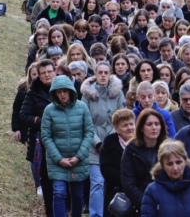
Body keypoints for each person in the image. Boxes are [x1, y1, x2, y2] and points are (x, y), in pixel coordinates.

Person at [41, 75, 94, 217]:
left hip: (78, 160)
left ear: (70, 90)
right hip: (57, 160)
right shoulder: (49, 110)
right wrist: (58, 159)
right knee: (59, 193)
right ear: (55, 93)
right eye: (59, 91)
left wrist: (78, 156)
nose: (62, 94)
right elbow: (46, 136)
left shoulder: (82, 107)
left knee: (77, 195)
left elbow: (89, 132)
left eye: (65, 91)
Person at [80, 61, 125, 217]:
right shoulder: (87, 95)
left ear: (110, 74)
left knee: (112, 182)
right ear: (95, 74)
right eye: (100, 72)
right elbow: (85, 122)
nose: (103, 75)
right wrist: (98, 142)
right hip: (94, 146)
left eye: (106, 72)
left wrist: (110, 140)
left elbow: (121, 118)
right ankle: (96, 214)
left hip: (114, 144)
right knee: (97, 183)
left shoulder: (118, 93)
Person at [141, 140, 190, 217]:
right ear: (162, 166)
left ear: (185, 161)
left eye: (178, 162)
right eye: (169, 164)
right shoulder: (152, 191)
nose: (175, 168)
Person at [20, 59, 56, 216]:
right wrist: (42, 122)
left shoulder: (64, 90)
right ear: (39, 76)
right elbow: (23, 115)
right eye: (43, 73)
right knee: (47, 181)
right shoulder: (33, 92)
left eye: (49, 71)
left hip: (63, 140)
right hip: (41, 142)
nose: (47, 75)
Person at [120, 109, 168, 215]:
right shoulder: (131, 150)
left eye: (157, 124)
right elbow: (129, 184)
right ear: (141, 128)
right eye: (149, 124)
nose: (154, 128)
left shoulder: (168, 147)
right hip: (141, 205)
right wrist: (147, 203)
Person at [100, 109, 136, 217]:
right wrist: (125, 181)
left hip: (136, 191)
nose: (129, 128)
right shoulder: (109, 142)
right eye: (125, 125)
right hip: (115, 192)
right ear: (116, 128)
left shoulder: (141, 141)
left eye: (131, 124)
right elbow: (106, 168)